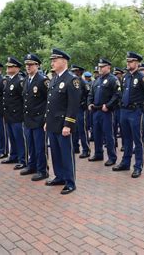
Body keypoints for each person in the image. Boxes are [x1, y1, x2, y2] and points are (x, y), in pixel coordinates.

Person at [44, 49, 81, 195]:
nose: (52, 62)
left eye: (55, 60)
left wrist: (68, 124)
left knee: (66, 154)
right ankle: (59, 176)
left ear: (64, 61)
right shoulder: (54, 78)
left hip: (63, 125)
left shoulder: (72, 80)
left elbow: (73, 105)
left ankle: (70, 182)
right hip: (53, 123)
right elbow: (50, 103)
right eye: (52, 60)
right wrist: (47, 121)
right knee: (56, 153)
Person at [112, 51, 144, 178]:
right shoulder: (125, 77)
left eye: (131, 61)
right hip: (124, 111)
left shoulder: (142, 77)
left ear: (137, 63)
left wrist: (142, 106)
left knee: (138, 139)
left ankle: (138, 166)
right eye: (128, 61)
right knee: (126, 138)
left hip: (136, 111)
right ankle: (125, 162)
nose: (128, 63)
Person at [20, 53, 50, 181]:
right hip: (28, 119)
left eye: (31, 64)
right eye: (26, 65)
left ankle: (42, 170)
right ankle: (32, 166)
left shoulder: (43, 81)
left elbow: (49, 101)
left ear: (37, 65)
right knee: (30, 145)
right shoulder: (27, 79)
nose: (28, 67)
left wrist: (46, 119)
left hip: (39, 119)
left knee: (39, 147)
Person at [87, 58, 121, 166]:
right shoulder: (96, 80)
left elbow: (117, 94)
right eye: (99, 67)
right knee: (96, 133)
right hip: (96, 111)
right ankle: (98, 153)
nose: (100, 69)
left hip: (106, 111)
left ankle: (112, 157)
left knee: (108, 134)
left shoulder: (113, 79)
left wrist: (108, 105)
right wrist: (89, 103)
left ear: (108, 67)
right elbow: (90, 94)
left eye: (102, 67)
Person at [1, 57, 25, 168]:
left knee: (19, 138)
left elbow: (24, 99)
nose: (8, 68)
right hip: (9, 115)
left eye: (10, 66)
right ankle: (13, 156)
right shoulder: (9, 80)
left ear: (17, 68)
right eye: (7, 66)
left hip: (17, 115)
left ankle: (22, 159)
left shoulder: (20, 81)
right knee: (12, 137)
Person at [70, 65, 91, 158]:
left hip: (81, 109)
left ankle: (86, 149)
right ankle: (75, 147)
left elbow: (88, 95)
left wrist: (84, 105)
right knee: (74, 129)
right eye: (73, 71)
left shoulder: (83, 82)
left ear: (80, 72)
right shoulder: (73, 82)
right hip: (74, 108)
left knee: (82, 129)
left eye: (75, 71)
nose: (73, 73)